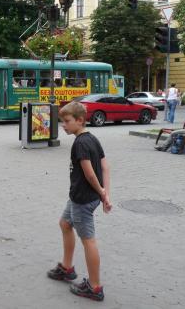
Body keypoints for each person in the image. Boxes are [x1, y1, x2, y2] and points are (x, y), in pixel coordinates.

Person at [47, 101, 111, 302]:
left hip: (83, 199)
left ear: (80, 120)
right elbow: (105, 167)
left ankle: (94, 286)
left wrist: (102, 192)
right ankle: (67, 268)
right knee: (65, 223)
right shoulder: (92, 138)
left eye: (66, 121)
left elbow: (91, 174)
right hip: (82, 196)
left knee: (88, 240)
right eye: (62, 121)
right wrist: (105, 194)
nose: (63, 125)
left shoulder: (80, 143)